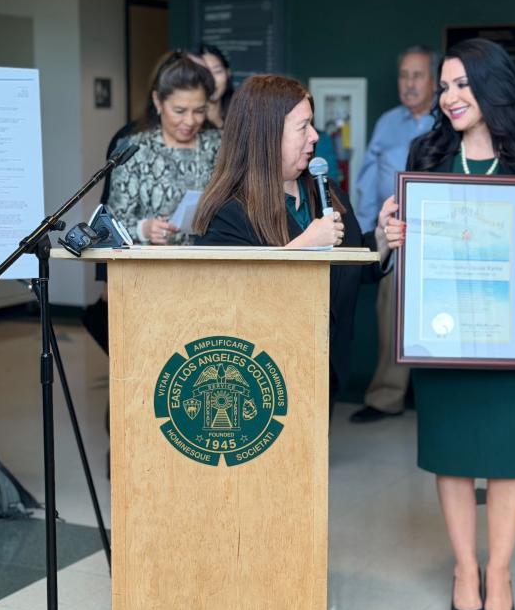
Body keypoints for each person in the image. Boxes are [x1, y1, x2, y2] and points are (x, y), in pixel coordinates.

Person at [393, 38, 515, 610]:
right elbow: (407, 238)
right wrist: (390, 232)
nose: (448, 97)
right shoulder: (426, 153)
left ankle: (498, 572)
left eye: (460, 85)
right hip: (443, 334)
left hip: (513, 332)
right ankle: (464, 569)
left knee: (508, 455)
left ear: (492, 87)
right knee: (451, 454)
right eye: (444, 87)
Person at [192, 75, 399, 398]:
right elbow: (231, 300)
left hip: (327, 367)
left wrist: (382, 239)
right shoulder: (228, 211)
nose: (315, 136)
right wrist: (304, 246)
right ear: (267, 136)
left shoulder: (325, 190)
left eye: (312, 125)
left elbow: (352, 269)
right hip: (261, 379)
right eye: (303, 127)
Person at [350, 46, 437, 423]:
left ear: (434, 81)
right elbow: (369, 179)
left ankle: (439, 398)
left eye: (417, 75)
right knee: (391, 315)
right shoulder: (388, 122)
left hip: (440, 235)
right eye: (404, 75)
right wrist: (367, 236)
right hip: (396, 232)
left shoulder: (448, 119)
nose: (409, 83)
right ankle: (386, 397)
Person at [107, 50, 222, 244]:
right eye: (179, 111)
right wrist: (143, 229)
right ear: (157, 101)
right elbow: (112, 224)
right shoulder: (135, 149)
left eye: (199, 111)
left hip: (210, 257)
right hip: (152, 260)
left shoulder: (219, 145)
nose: (190, 121)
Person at [196, 42, 234, 129]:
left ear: (228, 73)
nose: (211, 79)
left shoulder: (242, 116)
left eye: (217, 71)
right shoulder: (188, 124)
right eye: (204, 72)